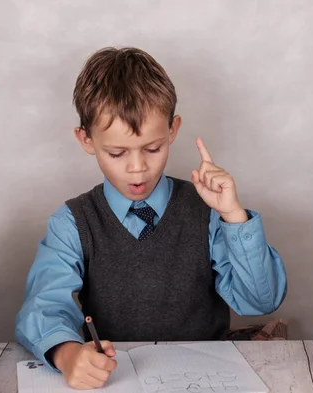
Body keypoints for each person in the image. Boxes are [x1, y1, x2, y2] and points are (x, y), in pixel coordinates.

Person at [15, 46, 287, 390]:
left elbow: (261, 301)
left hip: (208, 379)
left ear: (173, 130)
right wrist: (67, 354)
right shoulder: (72, 222)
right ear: (86, 139)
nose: (137, 168)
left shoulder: (207, 213)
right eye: (116, 153)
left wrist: (233, 216)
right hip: (117, 380)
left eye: (153, 148)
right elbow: (44, 304)